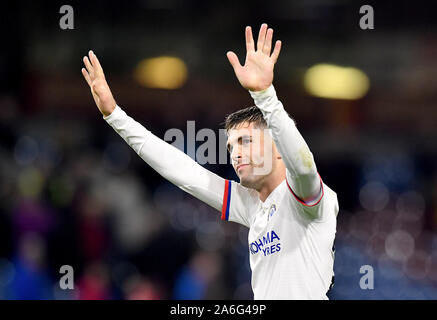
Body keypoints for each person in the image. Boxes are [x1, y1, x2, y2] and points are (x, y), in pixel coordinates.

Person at [81, 23, 339, 300]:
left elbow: (302, 164)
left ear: (277, 148)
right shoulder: (252, 204)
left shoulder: (305, 195)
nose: (235, 153)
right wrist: (115, 116)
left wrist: (265, 95)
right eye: (231, 146)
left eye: (245, 142)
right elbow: (183, 171)